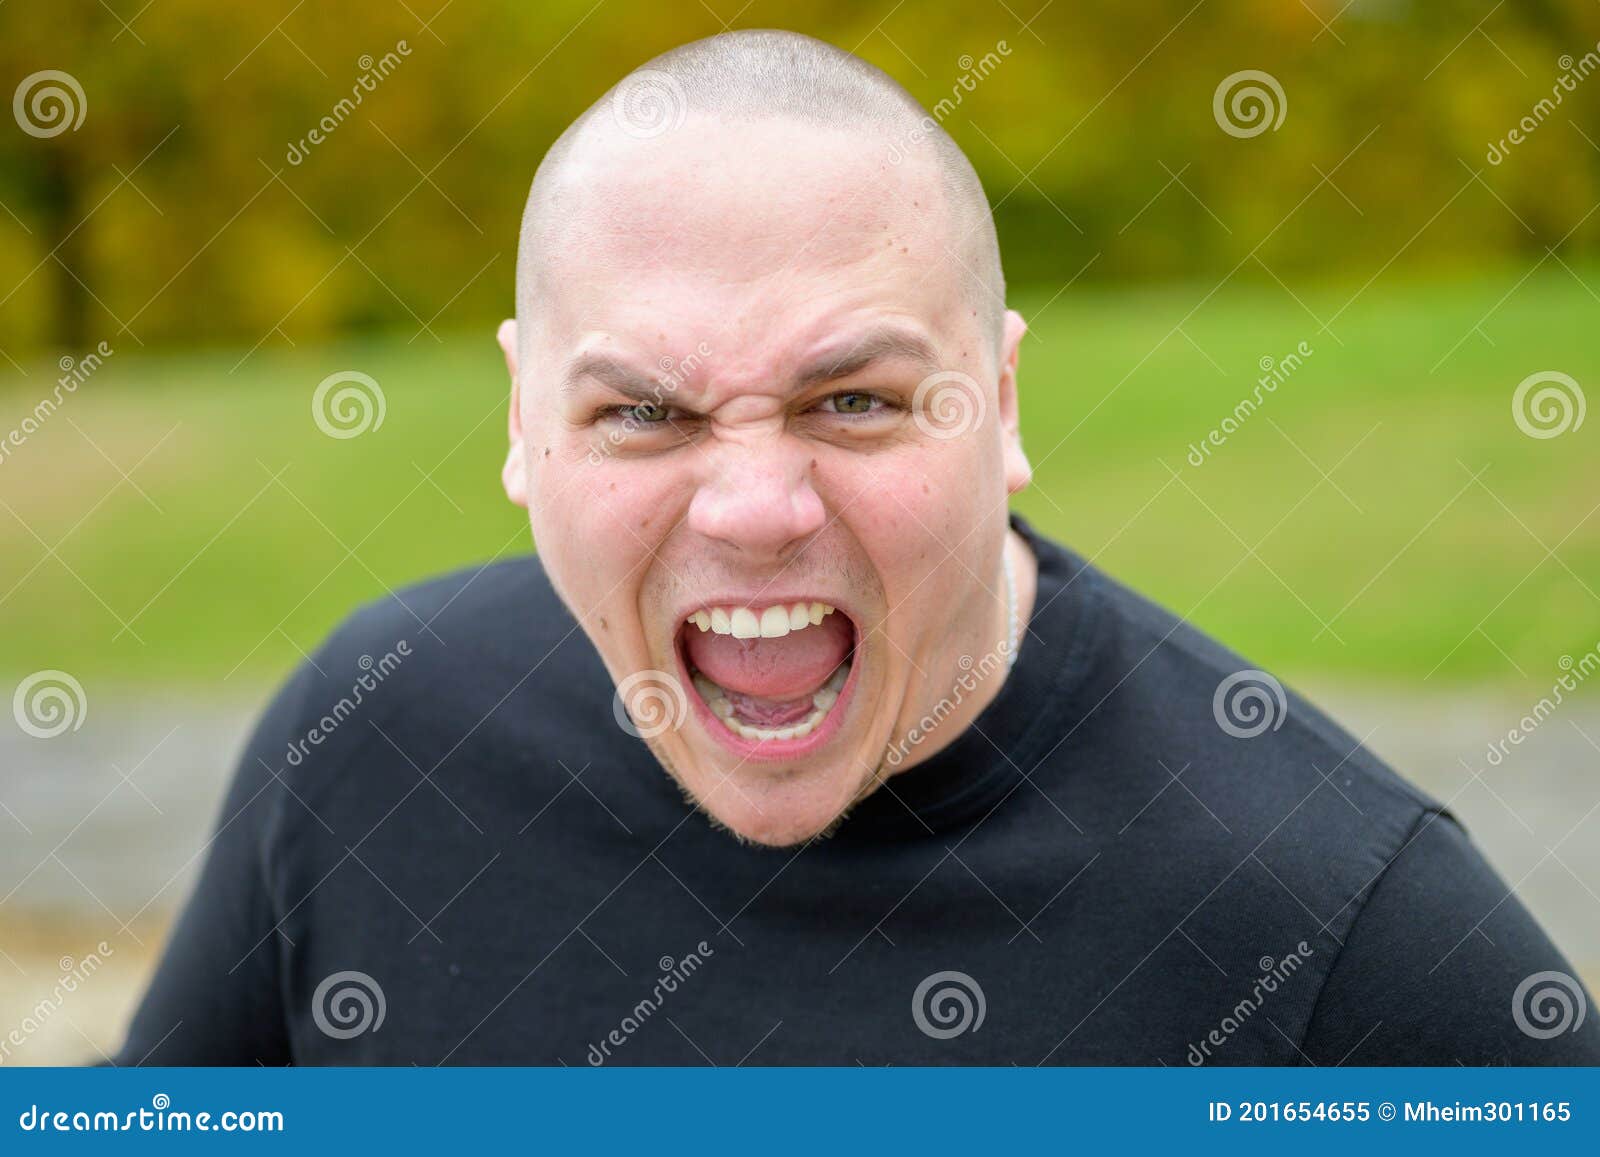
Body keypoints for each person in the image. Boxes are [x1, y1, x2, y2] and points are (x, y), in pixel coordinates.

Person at [114, 30, 1598, 1066]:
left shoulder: (1336, 927)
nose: (755, 508)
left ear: (1001, 401)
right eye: (642, 409)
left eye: (855, 399)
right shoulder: (374, 741)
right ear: (520, 420)